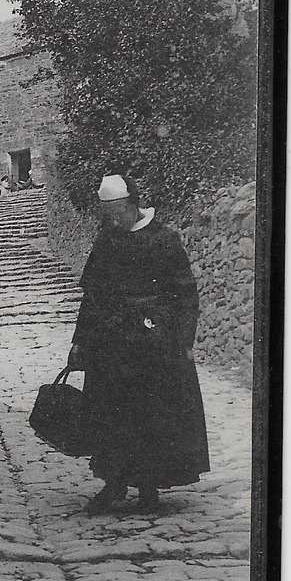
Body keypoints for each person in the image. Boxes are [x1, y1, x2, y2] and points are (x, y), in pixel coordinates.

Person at [68, 173, 210, 514]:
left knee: (151, 416)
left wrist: (184, 339)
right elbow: (92, 297)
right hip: (111, 344)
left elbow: (185, 294)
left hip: (154, 343)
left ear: (132, 204)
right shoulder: (107, 240)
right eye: (107, 214)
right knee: (110, 415)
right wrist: (79, 342)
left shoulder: (163, 238)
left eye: (118, 212)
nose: (113, 220)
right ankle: (113, 483)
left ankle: (148, 488)